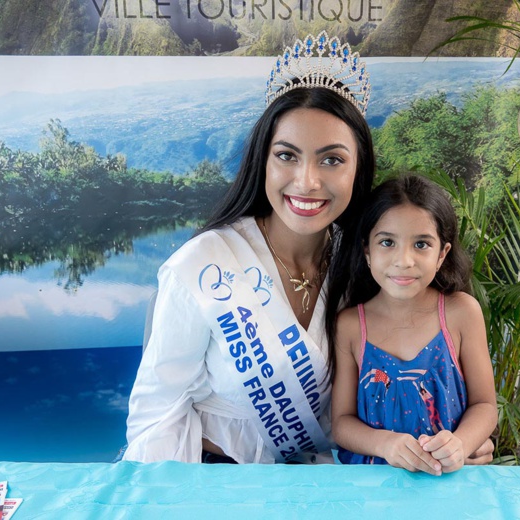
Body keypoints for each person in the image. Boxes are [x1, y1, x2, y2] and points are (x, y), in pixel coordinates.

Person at [124, 32, 494, 465]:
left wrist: (457, 444)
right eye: (287, 156)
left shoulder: (365, 261)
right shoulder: (205, 264)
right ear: (263, 160)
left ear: (358, 170)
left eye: (332, 160)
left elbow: (376, 395)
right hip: (216, 483)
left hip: (323, 484)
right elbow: (157, 415)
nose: (306, 181)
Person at [330, 175, 497, 475]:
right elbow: (342, 423)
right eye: (387, 242)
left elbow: (485, 405)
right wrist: (385, 444)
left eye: (421, 244)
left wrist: (460, 444)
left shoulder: (461, 314)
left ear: (442, 254)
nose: (403, 260)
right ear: (367, 251)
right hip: (369, 487)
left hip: (446, 481)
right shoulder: (352, 326)